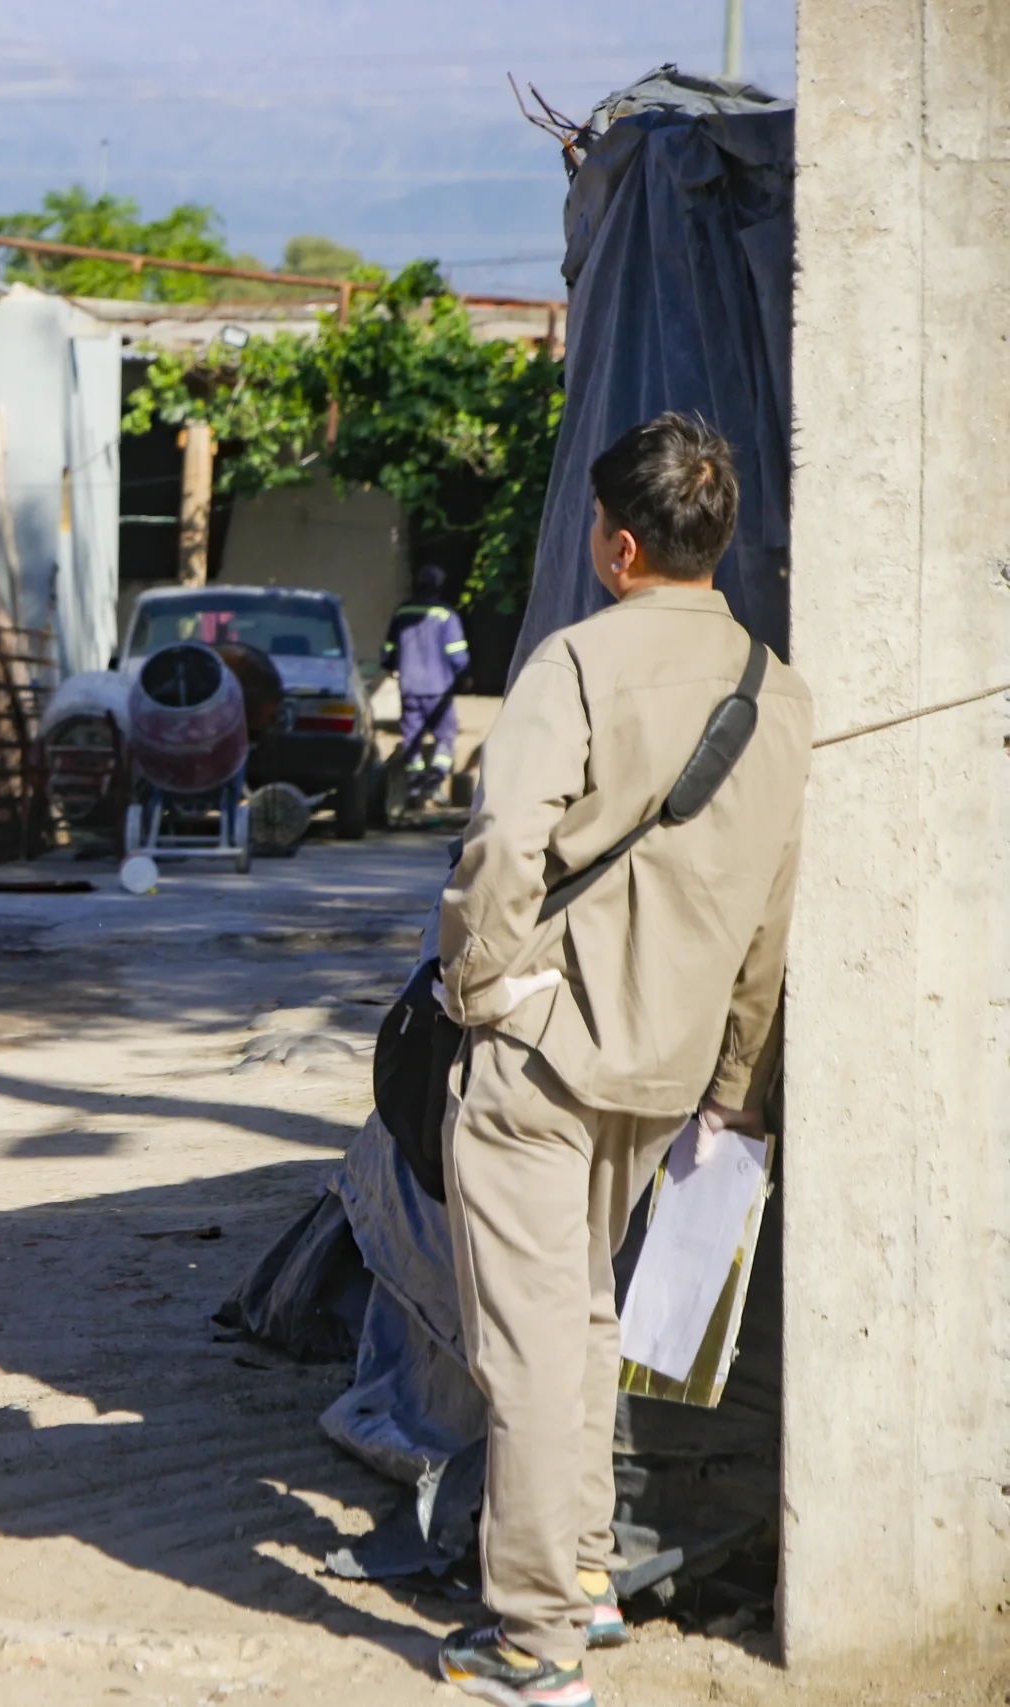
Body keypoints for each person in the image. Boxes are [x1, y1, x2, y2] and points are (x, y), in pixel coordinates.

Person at [433, 414, 809, 1707]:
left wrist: (481, 986)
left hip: (542, 1057)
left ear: (619, 540)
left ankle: (531, 1639)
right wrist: (733, 1081)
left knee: (530, 1342)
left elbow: (499, 844)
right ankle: (584, 1576)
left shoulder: (577, 661)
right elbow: (770, 916)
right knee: (583, 1322)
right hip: (665, 1067)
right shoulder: (778, 689)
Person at [383, 563, 471, 795]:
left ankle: (415, 783)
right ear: (439, 587)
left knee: (412, 735)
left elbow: (388, 650)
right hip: (439, 689)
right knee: (446, 734)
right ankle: (436, 778)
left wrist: (390, 667)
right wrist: (464, 676)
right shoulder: (446, 615)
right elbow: (457, 654)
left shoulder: (402, 612)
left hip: (409, 686)